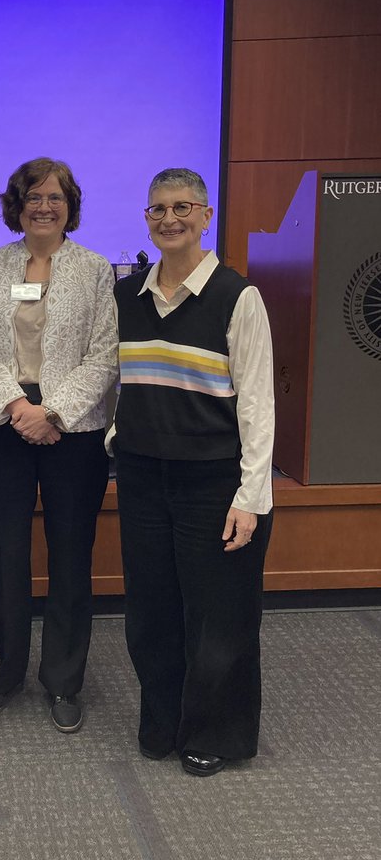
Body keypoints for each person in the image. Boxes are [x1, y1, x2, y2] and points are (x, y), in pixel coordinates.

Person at [111, 167, 274, 776]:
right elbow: (116, 378)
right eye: (158, 209)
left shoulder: (238, 296)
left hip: (214, 481)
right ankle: (163, 719)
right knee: (151, 609)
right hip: (143, 475)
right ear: (146, 219)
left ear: (206, 216)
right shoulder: (127, 295)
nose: (170, 219)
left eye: (183, 208)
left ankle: (213, 732)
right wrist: (116, 433)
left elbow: (258, 403)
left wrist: (251, 495)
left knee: (218, 613)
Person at [0, 157, 117, 733]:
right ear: (18, 205)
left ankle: (62, 678)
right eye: (34, 197)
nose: (45, 206)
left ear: (69, 205)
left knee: (70, 556)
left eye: (55, 197)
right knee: (5, 555)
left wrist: (52, 411)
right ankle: (7, 670)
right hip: (7, 427)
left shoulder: (95, 269)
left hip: (72, 433)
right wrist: (18, 408)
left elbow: (105, 354)